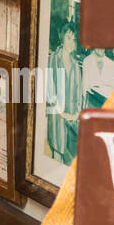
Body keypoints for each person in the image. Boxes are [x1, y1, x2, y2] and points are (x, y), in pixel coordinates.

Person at [45, 18, 83, 163]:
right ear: (62, 37)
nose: (71, 42)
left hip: (72, 115)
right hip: (57, 114)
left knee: (70, 155)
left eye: (73, 39)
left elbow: (79, 93)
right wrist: (61, 112)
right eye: (68, 37)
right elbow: (49, 90)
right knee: (57, 151)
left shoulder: (76, 65)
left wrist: (75, 114)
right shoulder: (53, 59)